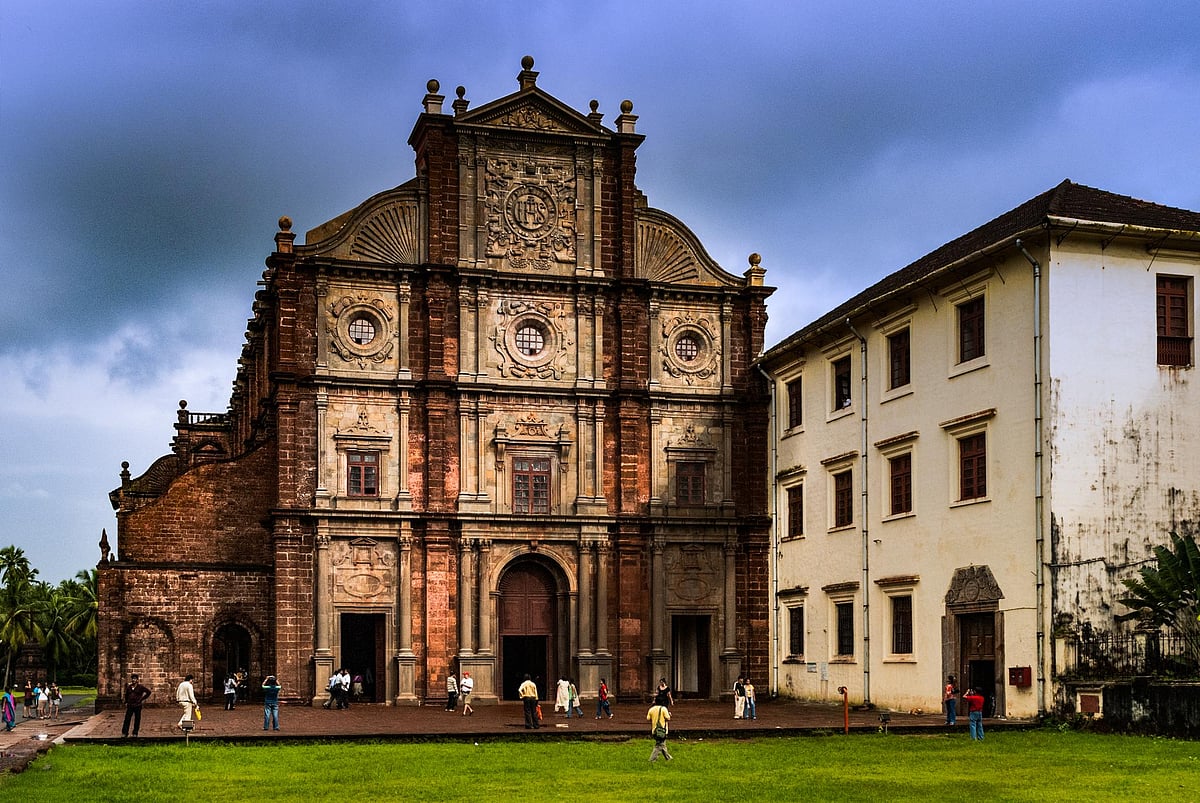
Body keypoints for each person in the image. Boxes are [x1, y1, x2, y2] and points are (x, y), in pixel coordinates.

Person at [121, 673, 152, 737]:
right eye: (133, 679)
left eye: (135, 679)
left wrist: (142, 699)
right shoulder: (129, 687)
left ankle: (135, 733)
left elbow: (148, 692)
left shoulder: (140, 687)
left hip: (137, 705)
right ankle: (125, 732)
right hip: (130, 705)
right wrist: (126, 702)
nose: (133, 680)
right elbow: (126, 695)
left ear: (137, 680)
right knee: (127, 719)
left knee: (137, 719)